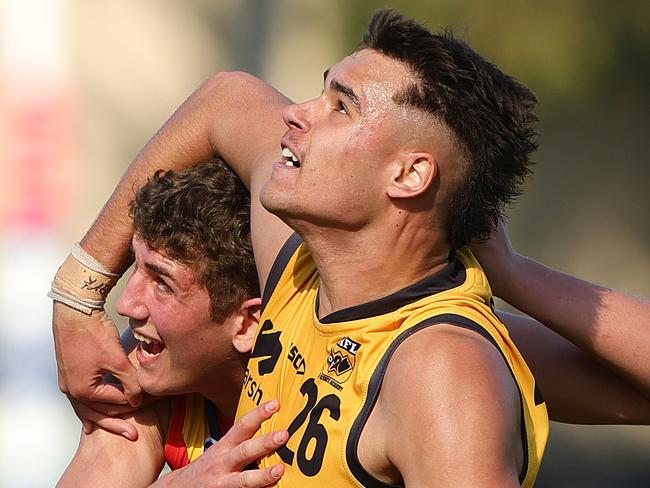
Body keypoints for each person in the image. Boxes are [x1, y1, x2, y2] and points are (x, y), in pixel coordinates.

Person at [49, 8, 650, 487]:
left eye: (342, 106)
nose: (298, 115)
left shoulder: (439, 371)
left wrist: (516, 276)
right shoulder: (298, 266)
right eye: (321, 93)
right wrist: (78, 294)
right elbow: (225, 100)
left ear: (409, 177)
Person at [58, 160, 287, 487]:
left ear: (248, 324)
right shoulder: (150, 379)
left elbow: (230, 107)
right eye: (135, 269)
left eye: (162, 283)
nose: (126, 305)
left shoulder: (326, 398)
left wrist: (73, 296)